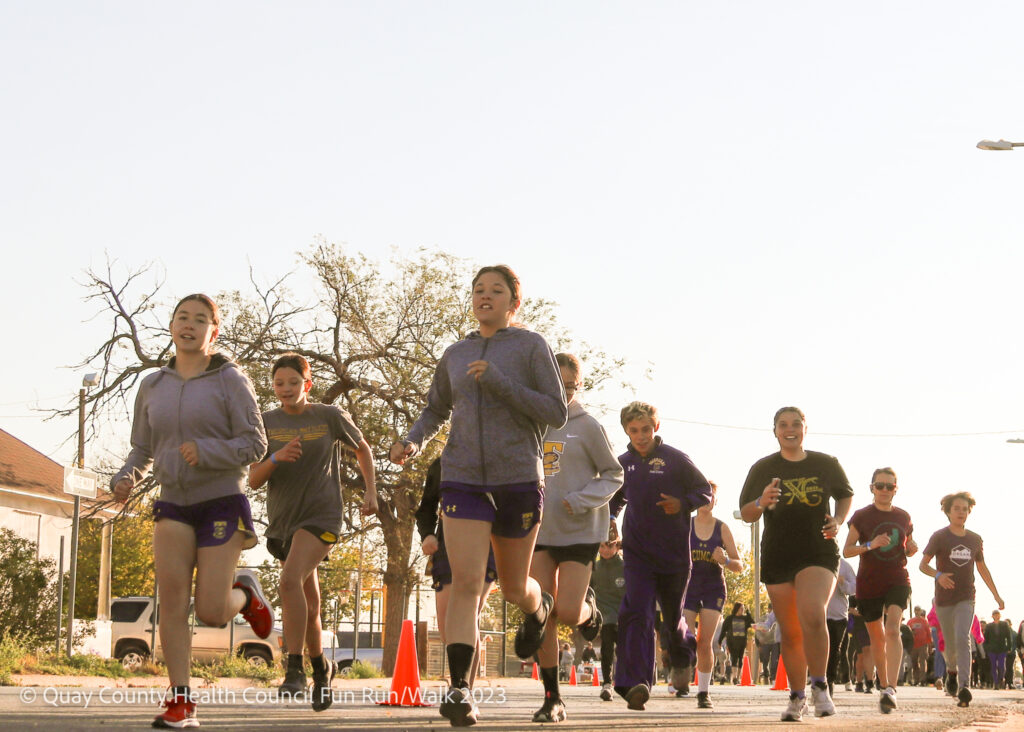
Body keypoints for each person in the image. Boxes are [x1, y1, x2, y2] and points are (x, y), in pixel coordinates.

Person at [389, 264, 567, 727]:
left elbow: (555, 411)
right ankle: (459, 690)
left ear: (514, 302)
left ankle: (538, 605)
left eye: (496, 291)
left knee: (512, 588)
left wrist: (499, 383)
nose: (485, 296)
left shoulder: (531, 346)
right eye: (478, 290)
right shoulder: (455, 353)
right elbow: (434, 408)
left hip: (517, 479)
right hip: (462, 476)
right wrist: (412, 440)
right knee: (466, 583)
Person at [110, 294, 271, 729]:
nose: (190, 324)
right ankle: (181, 700)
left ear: (212, 332)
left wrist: (208, 451)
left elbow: (256, 444)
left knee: (212, 612)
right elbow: (143, 449)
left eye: (201, 320)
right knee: (173, 603)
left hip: (221, 499)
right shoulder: (153, 384)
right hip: (172, 503)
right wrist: (126, 478)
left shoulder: (230, 380)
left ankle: (245, 595)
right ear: (172, 325)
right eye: (183, 317)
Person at [248, 352, 376, 711]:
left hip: (322, 517)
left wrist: (371, 491)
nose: (286, 389)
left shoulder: (329, 416)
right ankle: (323, 669)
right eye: (279, 384)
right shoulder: (266, 422)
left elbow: (362, 448)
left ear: (308, 384)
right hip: (282, 522)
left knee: (289, 581)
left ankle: (294, 669)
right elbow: (253, 480)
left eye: (293, 382)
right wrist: (276, 457)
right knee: (311, 605)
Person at [739, 406, 853, 721]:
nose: (790, 429)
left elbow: (845, 494)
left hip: (818, 549)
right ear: (775, 430)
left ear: (805, 428)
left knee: (813, 613)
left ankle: (820, 687)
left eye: (796, 424)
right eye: (783, 425)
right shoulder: (763, 468)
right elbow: (747, 513)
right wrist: (762, 501)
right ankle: (797, 696)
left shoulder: (825, 464)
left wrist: (839, 520)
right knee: (790, 631)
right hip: (778, 553)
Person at [529, 352, 623, 723]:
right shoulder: (531, 423)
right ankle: (552, 697)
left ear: (578, 385)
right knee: (541, 611)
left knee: (566, 611)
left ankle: (589, 610)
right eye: (555, 384)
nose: (562, 392)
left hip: (580, 530)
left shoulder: (587, 426)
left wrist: (582, 500)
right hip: (537, 529)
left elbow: (614, 475)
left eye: (569, 385)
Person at [608, 400, 710, 710]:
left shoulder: (675, 459)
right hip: (638, 553)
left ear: (656, 427)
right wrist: (610, 522)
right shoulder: (622, 463)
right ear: (626, 430)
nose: (640, 436)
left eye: (646, 430)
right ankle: (635, 682)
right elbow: (613, 500)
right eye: (634, 430)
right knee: (638, 612)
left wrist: (682, 503)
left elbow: (704, 491)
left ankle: (683, 649)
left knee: (673, 619)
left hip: (674, 555)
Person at [415, 458, 497, 691]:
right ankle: (460, 683)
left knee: (468, 613)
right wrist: (427, 535)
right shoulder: (441, 465)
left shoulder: (497, 458)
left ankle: (462, 690)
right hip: (448, 545)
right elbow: (426, 509)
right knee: (447, 627)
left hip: (487, 543)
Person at [842, 467, 917, 714]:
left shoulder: (904, 517)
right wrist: (870, 545)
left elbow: (907, 545)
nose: (885, 490)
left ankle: (891, 689)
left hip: (897, 579)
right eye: (880, 485)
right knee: (877, 636)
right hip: (869, 582)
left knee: (893, 629)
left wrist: (911, 548)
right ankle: (883, 684)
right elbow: (847, 550)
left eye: (890, 486)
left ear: (896, 489)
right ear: (872, 487)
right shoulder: (862, 516)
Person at [920, 491, 1005, 709]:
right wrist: (938, 575)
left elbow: (982, 568)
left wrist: (996, 594)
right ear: (948, 511)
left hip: (967, 597)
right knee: (949, 644)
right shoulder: (939, 537)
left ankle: (964, 686)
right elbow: (923, 565)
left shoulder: (974, 539)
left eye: (965, 509)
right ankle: (951, 673)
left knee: (962, 638)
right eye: (956, 508)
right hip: (943, 599)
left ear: (969, 512)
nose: (961, 512)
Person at [683, 481, 743, 709]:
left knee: (704, 642)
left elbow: (739, 565)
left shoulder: (722, 528)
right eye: (703, 496)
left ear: (716, 501)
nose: (707, 501)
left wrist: (726, 560)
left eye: (711, 497)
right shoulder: (685, 525)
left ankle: (703, 692)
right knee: (687, 636)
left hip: (713, 588)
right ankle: (681, 674)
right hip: (689, 587)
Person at [590, 538, 626, 701]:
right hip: (605, 615)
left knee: (625, 649)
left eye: (609, 546)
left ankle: (627, 681)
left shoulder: (626, 567)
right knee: (607, 648)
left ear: (617, 546)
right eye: (601, 546)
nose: (604, 550)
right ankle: (607, 683)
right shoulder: (594, 567)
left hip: (624, 615)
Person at [825, 557, 856, 697]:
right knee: (820, 649)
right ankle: (818, 682)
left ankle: (829, 682)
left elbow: (854, 588)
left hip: (839, 616)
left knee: (834, 650)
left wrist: (843, 582)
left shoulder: (844, 566)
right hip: (820, 614)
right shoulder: (818, 560)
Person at [983, 610, 1014, 689]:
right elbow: (985, 639)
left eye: (997, 614)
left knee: (1001, 666)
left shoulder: (1004, 625)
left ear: (1000, 616)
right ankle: (995, 683)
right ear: (992, 616)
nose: (996, 616)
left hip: (1002, 649)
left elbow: (1008, 637)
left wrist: (1009, 647)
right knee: (993, 666)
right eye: (994, 615)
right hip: (992, 650)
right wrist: (986, 648)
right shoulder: (989, 626)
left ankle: (1000, 679)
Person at [907, 606, 932, 686]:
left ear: (920, 611)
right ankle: (916, 679)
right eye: (916, 610)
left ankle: (922, 680)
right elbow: (907, 632)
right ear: (914, 611)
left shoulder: (924, 621)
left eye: (918, 610)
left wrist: (929, 646)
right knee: (914, 662)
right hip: (913, 645)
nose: (917, 612)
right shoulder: (910, 621)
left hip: (923, 645)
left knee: (922, 663)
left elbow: (928, 633)